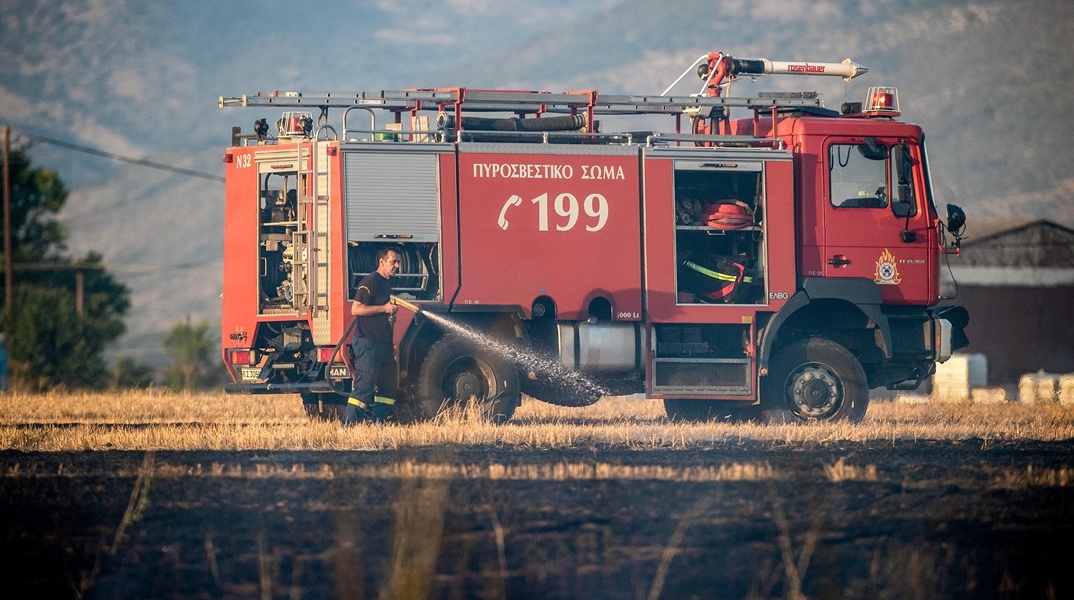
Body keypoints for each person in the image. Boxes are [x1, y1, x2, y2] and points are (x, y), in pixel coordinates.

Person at [343, 247, 401, 425]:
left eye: (398, 262)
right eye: (393, 262)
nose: (397, 266)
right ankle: (349, 425)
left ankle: (379, 423)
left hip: (382, 344)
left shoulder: (386, 284)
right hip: (368, 343)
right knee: (364, 388)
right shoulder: (370, 281)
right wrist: (384, 308)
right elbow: (356, 308)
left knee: (389, 387)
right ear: (382, 262)